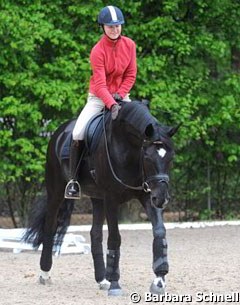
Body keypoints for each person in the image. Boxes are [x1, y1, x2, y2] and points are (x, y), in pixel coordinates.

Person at [64, 5, 137, 199]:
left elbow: (131, 74)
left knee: (138, 126)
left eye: (118, 26)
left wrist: (120, 95)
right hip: (98, 97)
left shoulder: (130, 45)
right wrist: (111, 104)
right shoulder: (97, 51)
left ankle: (144, 174)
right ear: (102, 27)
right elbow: (99, 83)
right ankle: (74, 181)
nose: (115, 30)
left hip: (122, 95)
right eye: (110, 27)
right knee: (78, 131)